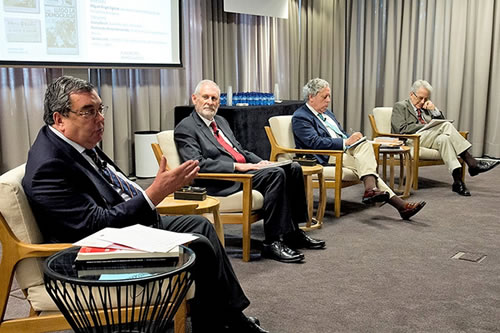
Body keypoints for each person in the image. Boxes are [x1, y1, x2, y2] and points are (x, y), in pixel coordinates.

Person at [22, 76, 268, 333]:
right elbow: (92, 226)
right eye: (88, 112)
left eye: (100, 109)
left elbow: (110, 187)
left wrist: (149, 197)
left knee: (200, 225)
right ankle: (222, 323)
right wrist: (152, 195)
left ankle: (223, 317)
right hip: (90, 253)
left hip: (121, 226)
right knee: (200, 243)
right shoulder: (49, 165)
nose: (100, 119)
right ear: (59, 119)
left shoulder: (72, 142)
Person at [174, 79, 326, 264]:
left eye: (214, 98)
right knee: (275, 175)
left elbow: (240, 151)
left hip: (244, 172)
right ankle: (272, 242)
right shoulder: (186, 127)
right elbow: (196, 163)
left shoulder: (220, 121)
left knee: (292, 167)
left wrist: (262, 162)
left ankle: (293, 232)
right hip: (223, 180)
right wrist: (236, 166)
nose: (210, 102)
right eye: (205, 97)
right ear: (194, 98)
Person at [292, 78, 426, 220]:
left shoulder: (328, 114)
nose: (329, 100)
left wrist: (352, 138)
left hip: (344, 151)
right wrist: (345, 142)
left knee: (365, 150)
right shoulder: (301, 117)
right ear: (311, 97)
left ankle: (375, 192)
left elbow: (340, 134)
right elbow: (314, 142)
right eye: (325, 97)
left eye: (329, 96)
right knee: (366, 161)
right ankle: (394, 202)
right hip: (326, 155)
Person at [392, 80, 500, 196]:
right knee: (446, 126)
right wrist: (426, 126)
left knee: (445, 139)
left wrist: (434, 110)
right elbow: (401, 129)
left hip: (429, 138)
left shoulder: (426, 107)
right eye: (420, 98)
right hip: (412, 140)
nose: (423, 101)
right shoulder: (401, 106)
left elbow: (440, 121)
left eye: (426, 98)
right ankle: (472, 162)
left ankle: (458, 182)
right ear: (411, 94)